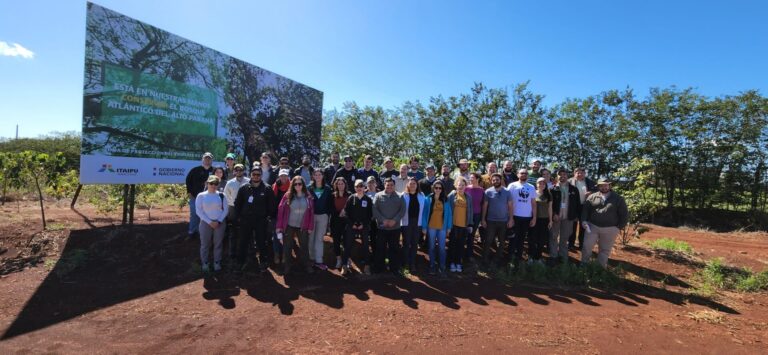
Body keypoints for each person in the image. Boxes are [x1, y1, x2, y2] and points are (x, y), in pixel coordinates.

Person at [233, 167, 276, 274]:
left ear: (261, 175)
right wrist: (237, 218)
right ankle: (240, 262)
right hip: (245, 220)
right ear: (251, 174)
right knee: (243, 242)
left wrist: (269, 217)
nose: (256, 176)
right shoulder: (244, 188)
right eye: (254, 174)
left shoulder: (267, 188)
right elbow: (237, 204)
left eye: (258, 174)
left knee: (262, 242)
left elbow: (272, 205)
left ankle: (263, 262)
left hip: (261, 221)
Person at [580, 179, 628, 267]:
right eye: (601, 185)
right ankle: (584, 264)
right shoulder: (592, 197)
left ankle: (600, 268)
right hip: (592, 227)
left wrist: (618, 228)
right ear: (598, 186)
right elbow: (585, 211)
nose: (604, 187)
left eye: (606, 185)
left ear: (609, 186)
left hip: (610, 229)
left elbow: (624, 215)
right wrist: (584, 221)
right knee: (587, 246)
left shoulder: (618, 198)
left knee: (604, 250)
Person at [276, 175, 315, 275]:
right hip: (289, 225)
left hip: (303, 226)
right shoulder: (287, 196)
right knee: (287, 246)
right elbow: (281, 211)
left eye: (300, 184)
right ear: (292, 185)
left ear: (303, 185)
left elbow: (311, 212)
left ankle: (306, 265)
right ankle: (287, 266)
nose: (298, 185)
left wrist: (310, 227)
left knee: (304, 246)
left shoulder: (308, 196)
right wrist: (279, 226)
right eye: (295, 184)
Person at [372, 178, 406, 275]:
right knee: (380, 248)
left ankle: (394, 268)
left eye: (391, 185)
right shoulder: (378, 196)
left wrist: (394, 220)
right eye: (388, 185)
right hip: (381, 228)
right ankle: (379, 267)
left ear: (394, 186)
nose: (389, 186)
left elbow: (402, 210)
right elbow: (374, 209)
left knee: (394, 248)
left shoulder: (400, 196)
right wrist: (384, 220)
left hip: (395, 228)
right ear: (384, 185)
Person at [196, 175, 228, 272]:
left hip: (219, 223)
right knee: (205, 244)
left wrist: (218, 221)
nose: (213, 185)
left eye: (215, 184)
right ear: (207, 183)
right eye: (211, 183)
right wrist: (210, 222)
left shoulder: (222, 195)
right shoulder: (201, 195)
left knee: (218, 244)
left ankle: (217, 262)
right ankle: (205, 263)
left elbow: (225, 210)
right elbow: (198, 211)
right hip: (205, 223)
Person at [481, 173, 513, 264]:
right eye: (493, 180)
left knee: (502, 241)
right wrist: (483, 219)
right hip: (491, 221)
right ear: (491, 181)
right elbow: (485, 206)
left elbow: (510, 206)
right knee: (488, 240)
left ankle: (497, 259)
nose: (495, 181)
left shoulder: (507, 191)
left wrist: (511, 219)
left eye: (497, 180)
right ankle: (485, 259)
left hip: (503, 221)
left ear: (501, 180)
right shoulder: (488, 191)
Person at [508, 169, 537, 266]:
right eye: (521, 173)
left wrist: (534, 218)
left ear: (527, 175)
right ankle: (510, 257)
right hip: (514, 216)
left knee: (521, 238)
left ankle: (518, 257)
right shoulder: (512, 185)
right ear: (517, 174)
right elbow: (508, 202)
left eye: (525, 173)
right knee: (513, 238)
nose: (523, 174)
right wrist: (510, 217)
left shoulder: (531, 187)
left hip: (526, 217)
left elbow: (533, 204)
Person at [344, 179, 374, 275]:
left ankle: (367, 266)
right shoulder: (351, 198)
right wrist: (351, 223)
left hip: (363, 226)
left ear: (364, 187)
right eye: (357, 186)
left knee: (366, 245)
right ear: (354, 187)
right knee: (347, 245)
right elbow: (346, 213)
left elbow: (370, 215)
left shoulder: (368, 199)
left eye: (361, 186)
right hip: (351, 225)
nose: (359, 188)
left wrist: (363, 224)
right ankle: (345, 265)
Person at [422, 180, 452, 275]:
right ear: (433, 188)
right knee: (431, 247)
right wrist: (424, 227)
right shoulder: (428, 198)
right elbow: (424, 213)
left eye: (440, 188)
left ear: (442, 189)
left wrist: (448, 227)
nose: (438, 189)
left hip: (442, 227)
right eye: (436, 187)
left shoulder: (445, 199)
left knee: (442, 248)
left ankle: (442, 266)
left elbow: (449, 214)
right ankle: (432, 265)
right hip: (431, 227)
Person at [550, 169, 580, 263]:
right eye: (560, 175)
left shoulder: (574, 189)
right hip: (556, 218)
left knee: (564, 238)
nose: (562, 176)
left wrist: (575, 215)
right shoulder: (553, 189)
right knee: (553, 237)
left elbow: (577, 204)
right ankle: (553, 256)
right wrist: (554, 214)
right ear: (557, 176)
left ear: (568, 176)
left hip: (568, 217)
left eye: (564, 174)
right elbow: (550, 204)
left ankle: (563, 256)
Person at [185, 152, 215, 240]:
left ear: (212, 160)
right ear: (202, 159)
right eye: (205, 158)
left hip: (209, 198)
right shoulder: (195, 170)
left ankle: (203, 233)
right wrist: (189, 192)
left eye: (209, 158)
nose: (207, 159)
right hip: (195, 197)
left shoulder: (214, 171)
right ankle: (192, 232)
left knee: (207, 215)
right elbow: (188, 181)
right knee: (194, 214)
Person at [308, 169, 333, 271]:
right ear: (313, 176)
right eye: (316, 175)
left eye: (319, 174)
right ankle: (311, 260)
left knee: (319, 239)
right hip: (311, 216)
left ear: (322, 176)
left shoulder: (327, 189)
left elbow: (330, 204)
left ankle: (319, 261)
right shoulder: (308, 188)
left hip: (323, 216)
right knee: (311, 238)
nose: (318, 176)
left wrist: (327, 215)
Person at [447, 176, 473, 273]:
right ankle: (451, 263)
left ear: (466, 186)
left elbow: (470, 211)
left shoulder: (468, 197)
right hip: (453, 225)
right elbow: (447, 210)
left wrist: (470, 224)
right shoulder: (452, 195)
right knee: (452, 244)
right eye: (459, 185)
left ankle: (458, 263)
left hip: (463, 225)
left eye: (463, 185)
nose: (461, 187)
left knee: (461, 245)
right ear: (455, 186)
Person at [223, 163, 249, 261]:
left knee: (246, 230)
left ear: (244, 171)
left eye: (241, 170)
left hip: (246, 209)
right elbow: (226, 196)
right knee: (233, 231)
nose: (239, 172)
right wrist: (232, 205)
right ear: (234, 171)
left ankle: (246, 252)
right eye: (237, 170)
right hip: (233, 208)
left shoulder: (248, 181)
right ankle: (232, 252)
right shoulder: (230, 183)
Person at [401, 177, 425, 273]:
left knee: (415, 243)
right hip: (406, 222)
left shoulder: (421, 195)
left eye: (414, 183)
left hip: (417, 223)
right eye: (410, 184)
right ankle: (405, 263)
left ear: (417, 185)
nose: (412, 185)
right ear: (408, 185)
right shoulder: (403, 195)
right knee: (406, 243)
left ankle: (412, 263)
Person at [569, 167, 598, 249]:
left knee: (583, 225)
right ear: (574, 174)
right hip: (573, 207)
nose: (579, 174)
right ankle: (571, 243)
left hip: (585, 206)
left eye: (581, 173)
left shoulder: (590, 182)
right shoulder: (570, 182)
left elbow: (598, 191)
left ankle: (581, 243)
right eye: (577, 173)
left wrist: (591, 193)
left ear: (585, 174)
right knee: (572, 225)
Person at [529, 177, 552, 265]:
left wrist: (550, 221)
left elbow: (550, 208)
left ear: (545, 185)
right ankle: (531, 257)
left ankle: (538, 258)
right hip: (534, 219)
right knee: (532, 239)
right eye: (539, 183)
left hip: (544, 219)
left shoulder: (549, 194)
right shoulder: (532, 193)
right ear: (536, 184)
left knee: (541, 240)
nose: (541, 185)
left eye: (543, 183)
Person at [272, 169, 292, 263]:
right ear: (279, 176)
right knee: (276, 235)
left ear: (288, 176)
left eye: (285, 175)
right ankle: (276, 254)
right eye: (281, 176)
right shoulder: (274, 186)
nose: (283, 177)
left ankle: (285, 254)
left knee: (286, 235)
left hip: (289, 215)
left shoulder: (292, 186)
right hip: (276, 214)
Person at [330, 177, 350, 269]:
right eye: (339, 184)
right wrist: (339, 213)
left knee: (347, 241)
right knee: (336, 241)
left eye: (342, 184)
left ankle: (347, 259)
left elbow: (352, 208)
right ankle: (339, 259)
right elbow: (330, 208)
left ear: (345, 185)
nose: (340, 185)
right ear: (336, 185)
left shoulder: (350, 195)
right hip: (335, 221)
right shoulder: (332, 195)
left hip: (346, 222)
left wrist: (345, 212)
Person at [465, 172, 485, 260]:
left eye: (472, 177)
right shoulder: (466, 189)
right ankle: (461, 252)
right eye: (470, 178)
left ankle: (469, 253)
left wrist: (482, 217)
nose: (471, 179)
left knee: (472, 234)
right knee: (464, 233)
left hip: (476, 215)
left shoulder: (482, 190)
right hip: (466, 214)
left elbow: (483, 204)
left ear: (477, 179)